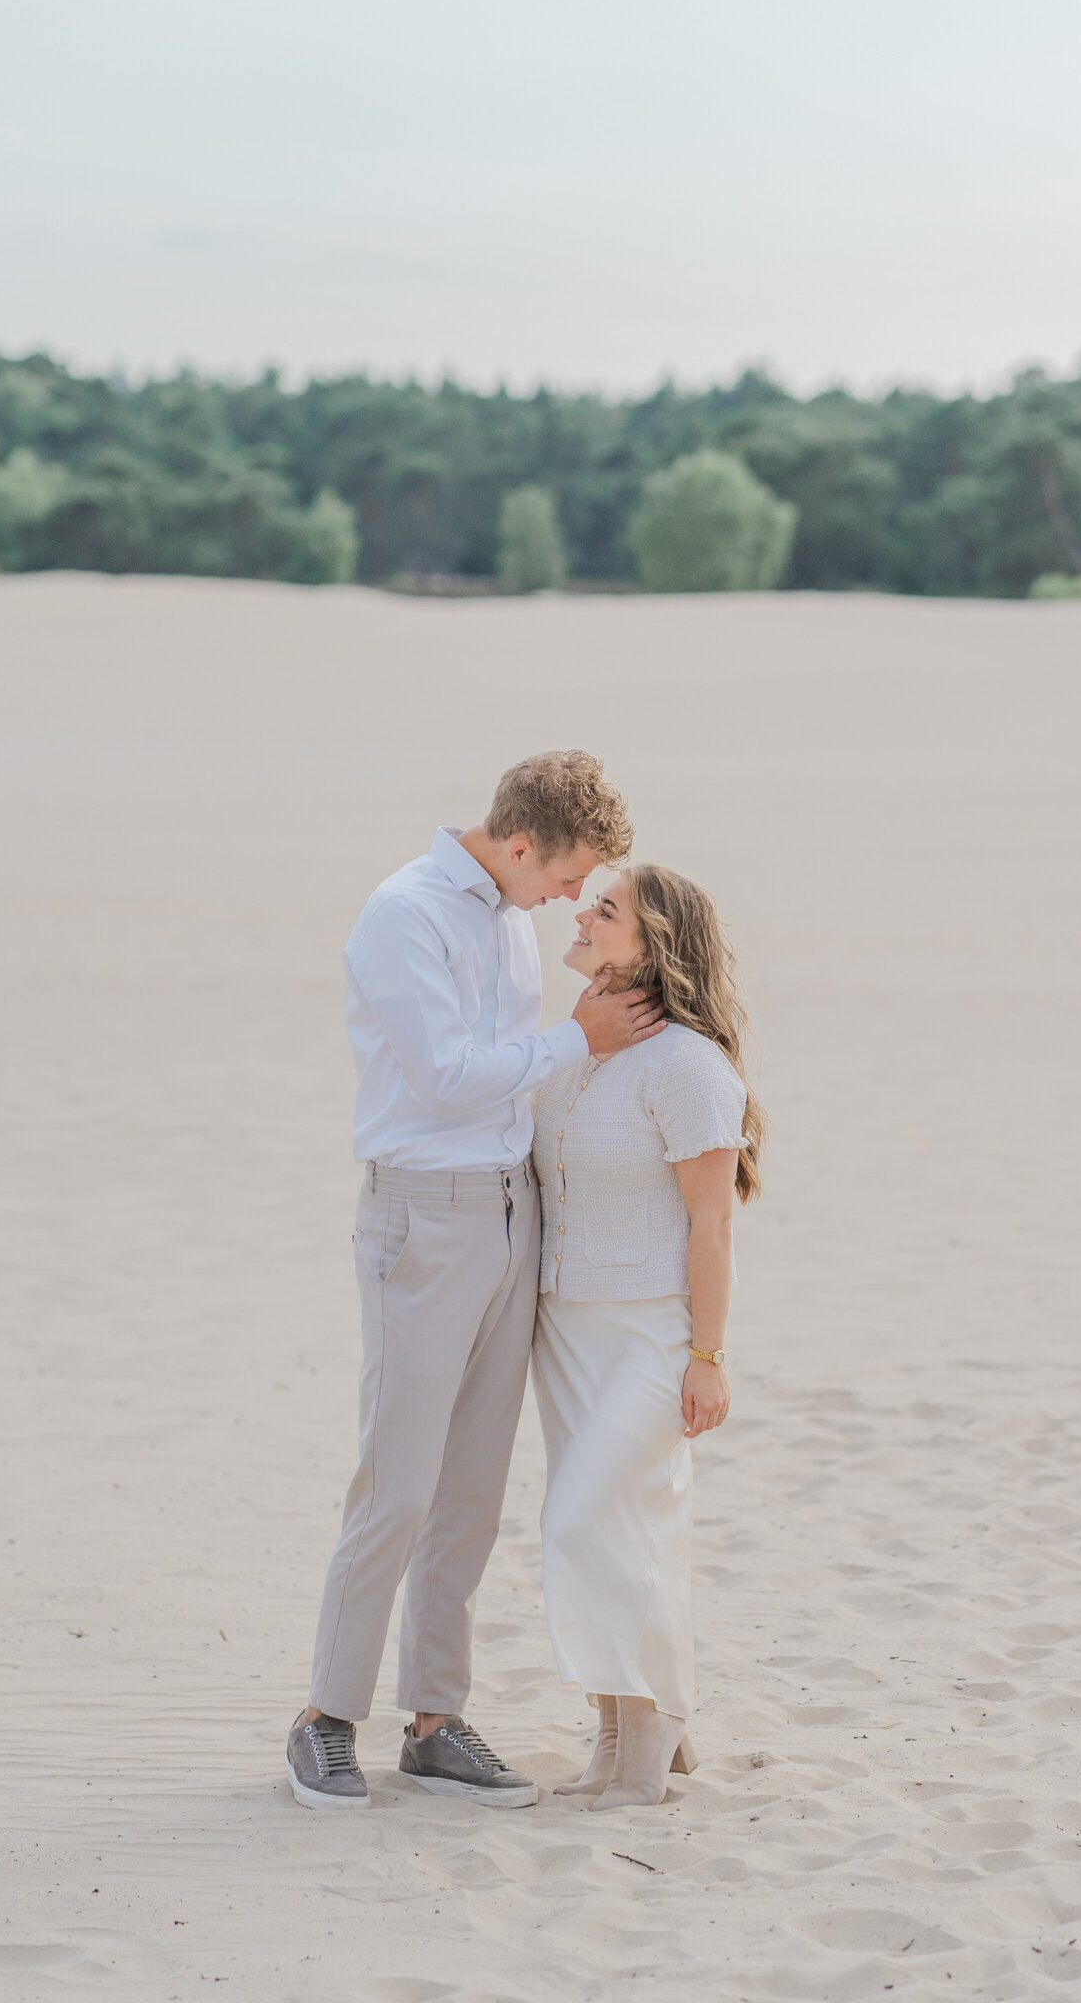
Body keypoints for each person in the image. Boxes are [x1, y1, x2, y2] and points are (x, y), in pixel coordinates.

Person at [286, 751, 663, 1813]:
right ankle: (323, 1717)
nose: (567, 902)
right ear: (519, 844)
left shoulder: (502, 910)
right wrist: (573, 1038)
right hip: (423, 1212)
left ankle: (435, 1720)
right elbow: (443, 1078)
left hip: (509, 1210)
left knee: (471, 1494)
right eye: (566, 875)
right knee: (396, 1483)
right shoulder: (404, 915)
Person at [532, 861, 762, 1809]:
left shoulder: (689, 1069)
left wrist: (706, 1357)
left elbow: (713, 1224)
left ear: (653, 945)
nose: (583, 914)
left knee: (584, 1519)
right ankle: (623, 1729)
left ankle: (657, 1715)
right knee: (620, 1532)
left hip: (651, 1336)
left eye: (608, 909)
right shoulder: (570, 1049)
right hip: (565, 1331)